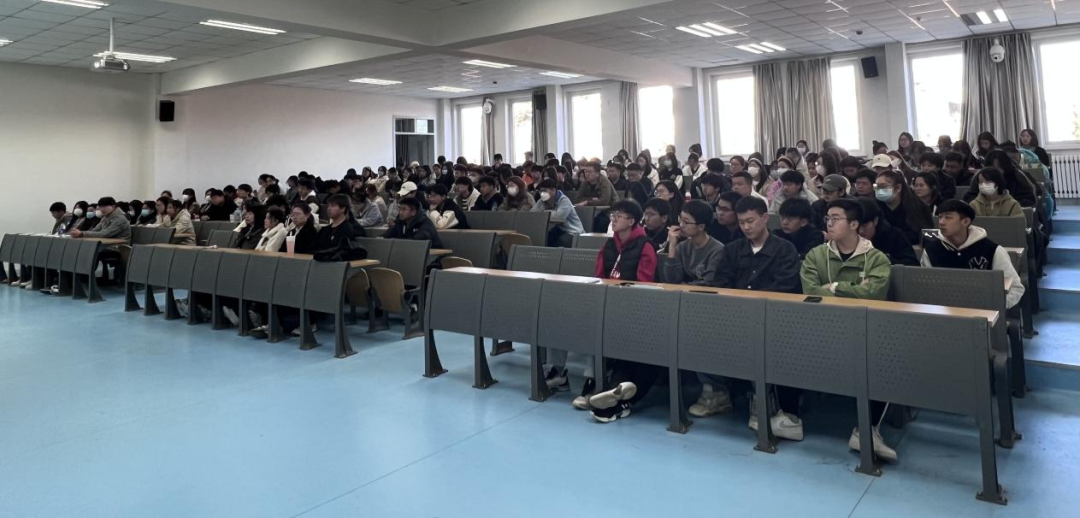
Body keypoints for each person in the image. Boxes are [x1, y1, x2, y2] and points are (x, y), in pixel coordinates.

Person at [693, 196, 803, 438]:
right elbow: (721, 284)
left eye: (751, 221)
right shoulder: (732, 250)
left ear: (765, 218)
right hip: (735, 316)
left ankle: (761, 399)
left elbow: (786, 288)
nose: (746, 227)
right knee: (696, 332)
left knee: (763, 344)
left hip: (773, 319)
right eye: (742, 222)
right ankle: (717, 392)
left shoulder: (784, 250)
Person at [800, 198, 896, 461]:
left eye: (836, 218)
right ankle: (788, 415)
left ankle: (867, 430)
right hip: (820, 327)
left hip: (864, 330)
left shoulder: (876, 259)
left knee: (884, 361)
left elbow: (873, 294)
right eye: (827, 218)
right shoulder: (816, 255)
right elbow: (810, 291)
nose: (829, 223)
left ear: (854, 224)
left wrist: (833, 287)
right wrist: (852, 290)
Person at [560, 200, 660, 423]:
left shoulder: (645, 246)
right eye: (612, 216)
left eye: (618, 217)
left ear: (632, 221)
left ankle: (604, 390)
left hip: (634, 308)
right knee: (588, 324)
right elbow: (599, 276)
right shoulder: (609, 245)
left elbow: (645, 284)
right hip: (608, 304)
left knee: (613, 337)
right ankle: (597, 384)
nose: (613, 220)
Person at [921, 200, 1025, 309]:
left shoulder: (992, 250)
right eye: (940, 217)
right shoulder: (931, 250)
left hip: (983, 313)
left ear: (965, 221)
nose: (941, 222)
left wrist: (994, 307)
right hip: (943, 312)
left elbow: (1015, 288)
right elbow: (925, 289)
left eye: (948, 217)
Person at [663, 200, 724, 285]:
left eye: (686, 222)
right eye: (680, 219)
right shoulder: (681, 247)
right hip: (680, 292)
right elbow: (671, 280)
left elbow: (707, 282)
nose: (681, 225)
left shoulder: (717, 250)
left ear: (701, 227)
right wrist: (672, 246)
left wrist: (681, 286)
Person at [875, 170, 934, 245]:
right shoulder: (874, 208)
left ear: (898, 188)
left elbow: (928, 236)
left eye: (883, 186)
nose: (879, 190)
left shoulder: (918, 207)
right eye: (877, 186)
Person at [855, 198, 919, 266]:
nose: (860, 231)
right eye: (856, 226)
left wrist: (884, 260)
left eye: (864, 226)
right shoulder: (848, 237)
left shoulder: (894, 236)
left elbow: (913, 264)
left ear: (876, 220)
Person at [963, 150, 1036, 207]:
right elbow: (969, 198)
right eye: (992, 167)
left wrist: (1005, 205)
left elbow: (1029, 200)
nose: (995, 171)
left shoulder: (1017, 176)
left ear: (1005, 167)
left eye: (999, 167)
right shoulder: (980, 176)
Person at [533, 179, 583, 247]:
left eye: (544, 191)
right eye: (540, 191)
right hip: (556, 230)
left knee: (561, 242)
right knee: (541, 239)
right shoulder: (541, 201)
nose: (541, 193)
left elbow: (559, 217)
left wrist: (544, 213)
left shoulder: (564, 200)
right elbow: (533, 214)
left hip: (572, 231)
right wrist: (550, 213)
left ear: (553, 190)